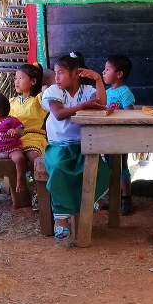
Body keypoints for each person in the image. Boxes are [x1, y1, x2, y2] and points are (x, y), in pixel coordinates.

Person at [41, 52, 111, 241]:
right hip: (58, 146)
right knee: (58, 168)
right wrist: (84, 106)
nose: (56, 77)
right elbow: (59, 114)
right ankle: (60, 219)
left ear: (75, 73)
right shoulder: (53, 92)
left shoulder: (87, 91)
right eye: (55, 73)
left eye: (61, 73)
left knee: (99, 168)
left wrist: (97, 78)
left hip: (82, 144)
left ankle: (88, 203)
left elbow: (102, 102)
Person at [8, 63, 48, 206]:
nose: (16, 81)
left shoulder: (38, 100)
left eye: (21, 78)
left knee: (33, 157)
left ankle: (38, 192)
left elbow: (47, 94)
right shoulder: (12, 102)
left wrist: (44, 87)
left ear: (33, 81)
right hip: (14, 138)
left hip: (33, 136)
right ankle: (19, 192)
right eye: (16, 78)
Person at [103, 54, 136, 215]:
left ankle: (126, 199)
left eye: (107, 69)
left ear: (119, 74)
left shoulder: (125, 93)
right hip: (107, 136)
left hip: (121, 136)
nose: (103, 72)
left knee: (122, 167)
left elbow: (130, 115)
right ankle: (114, 197)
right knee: (110, 167)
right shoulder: (106, 92)